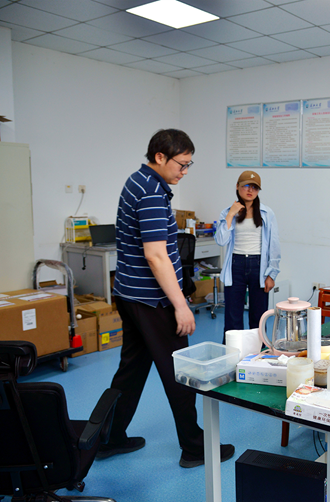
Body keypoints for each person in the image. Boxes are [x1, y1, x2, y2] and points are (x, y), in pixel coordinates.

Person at [99, 129, 234, 468]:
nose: (185, 171)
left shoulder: (138, 180)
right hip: (153, 300)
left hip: (130, 294)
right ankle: (194, 447)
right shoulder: (151, 192)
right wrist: (180, 305)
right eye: (181, 164)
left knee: (130, 372)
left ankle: (107, 438)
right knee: (181, 371)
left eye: (189, 165)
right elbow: (156, 255)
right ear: (160, 157)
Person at [215, 171, 280, 337]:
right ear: (237, 187)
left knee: (259, 317)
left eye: (255, 187)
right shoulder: (227, 212)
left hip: (259, 266)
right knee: (232, 317)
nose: (250, 190)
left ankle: (259, 350)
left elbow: (274, 245)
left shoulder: (267, 213)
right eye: (246, 186)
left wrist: (272, 274)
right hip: (235, 265)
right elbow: (221, 240)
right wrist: (231, 214)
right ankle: (232, 350)